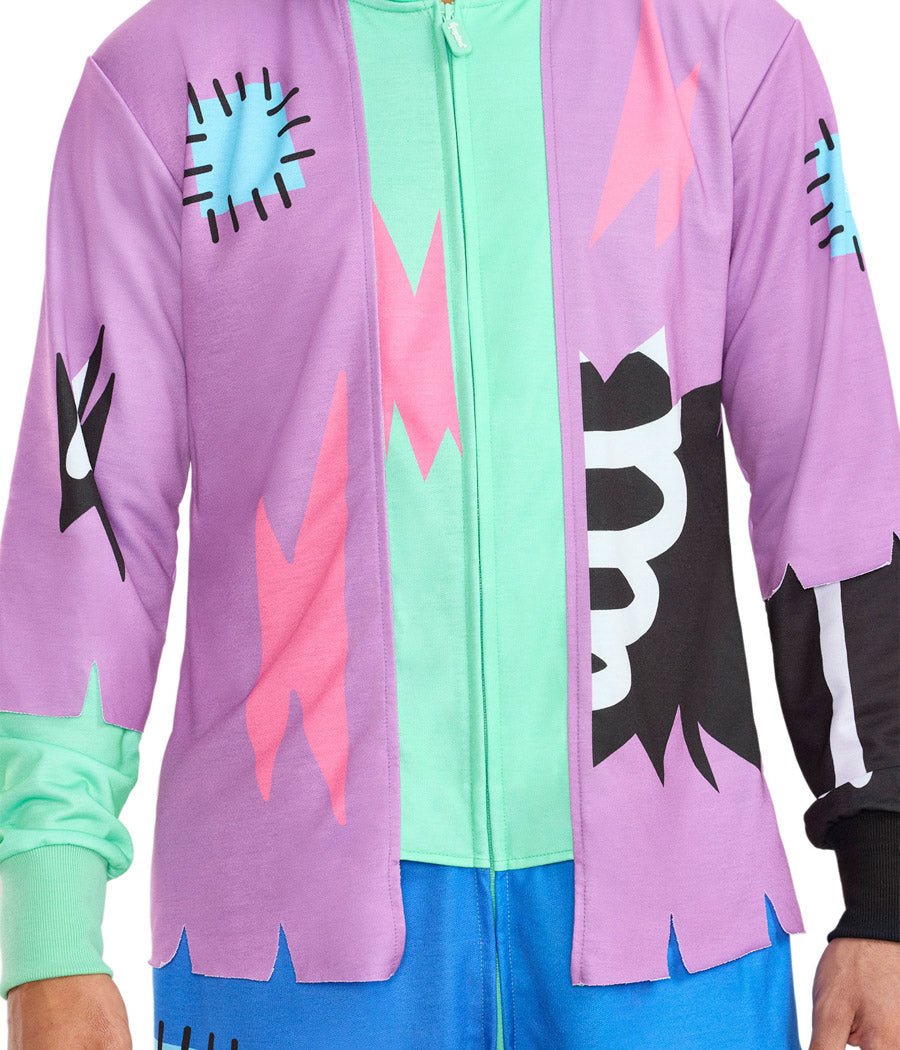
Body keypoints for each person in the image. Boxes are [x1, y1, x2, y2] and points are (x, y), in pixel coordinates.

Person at [1, 0, 898, 1047]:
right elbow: (87, 522)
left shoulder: (732, 51)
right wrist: (48, 920)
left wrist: (886, 878)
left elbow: (835, 476)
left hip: (675, 937)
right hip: (286, 946)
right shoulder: (167, 78)